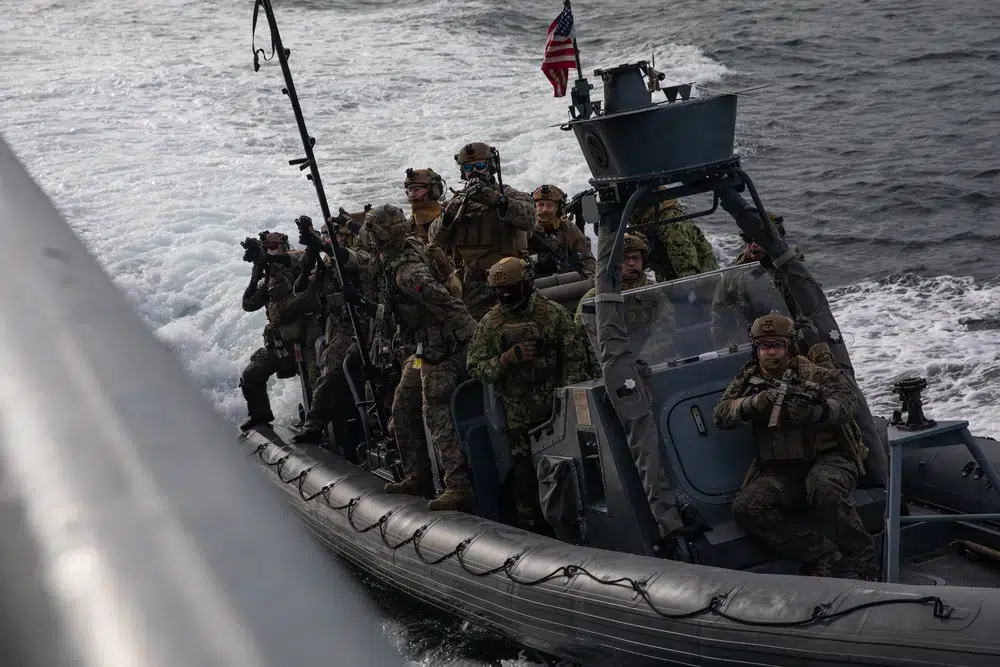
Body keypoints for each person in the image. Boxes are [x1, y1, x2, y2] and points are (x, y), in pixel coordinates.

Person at [712, 314, 878, 580]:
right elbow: (721, 414)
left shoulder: (814, 373)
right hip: (781, 470)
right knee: (746, 507)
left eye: (777, 346)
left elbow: (848, 404)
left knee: (826, 487)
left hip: (828, 459)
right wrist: (752, 403)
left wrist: (817, 412)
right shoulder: (748, 378)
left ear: (789, 346)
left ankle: (863, 560)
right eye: (764, 347)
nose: (771, 352)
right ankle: (819, 553)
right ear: (756, 348)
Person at [349, 204, 478, 511]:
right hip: (421, 351)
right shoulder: (396, 257)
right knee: (402, 406)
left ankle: (458, 486)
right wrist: (366, 305)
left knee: (435, 412)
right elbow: (397, 312)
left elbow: (448, 305)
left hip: (440, 351)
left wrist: (472, 342)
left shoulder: (408, 272)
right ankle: (416, 477)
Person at [466, 257, 594, 532]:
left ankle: (574, 527)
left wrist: (566, 402)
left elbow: (575, 358)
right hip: (518, 417)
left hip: (556, 413)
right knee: (524, 478)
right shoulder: (490, 324)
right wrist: (505, 360)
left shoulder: (553, 314)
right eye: (500, 291)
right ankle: (532, 530)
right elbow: (476, 367)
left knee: (568, 472)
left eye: (511, 289)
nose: (506, 296)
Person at [289, 216, 375, 446]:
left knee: (335, 374)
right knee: (325, 374)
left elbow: (350, 259)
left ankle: (316, 426)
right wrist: (311, 253)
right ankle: (319, 428)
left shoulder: (360, 255)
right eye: (326, 236)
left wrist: (325, 246)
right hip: (338, 327)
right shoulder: (325, 265)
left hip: (363, 325)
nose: (331, 239)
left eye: (335, 235)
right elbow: (300, 290)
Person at [428, 142, 535, 320]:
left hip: (510, 282)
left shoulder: (509, 195)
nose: (474, 172)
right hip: (471, 286)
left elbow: (529, 219)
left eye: (479, 165)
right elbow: (433, 239)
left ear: (491, 166)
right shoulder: (456, 203)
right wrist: (449, 215)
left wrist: (497, 201)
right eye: (468, 168)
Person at [239, 230, 322, 431]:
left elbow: (299, 262)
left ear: (284, 246)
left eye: (274, 247)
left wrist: (267, 258)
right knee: (251, 375)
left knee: (317, 383)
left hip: (308, 340)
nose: (271, 251)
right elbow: (249, 304)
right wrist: (256, 273)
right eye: (267, 248)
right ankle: (260, 414)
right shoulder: (270, 277)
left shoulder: (297, 259)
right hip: (283, 344)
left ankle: (320, 428)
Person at [574, 233, 675, 368]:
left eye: (636, 258)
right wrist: (611, 367)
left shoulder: (654, 294)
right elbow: (584, 340)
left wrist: (640, 363)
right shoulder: (594, 298)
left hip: (647, 366)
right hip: (608, 367)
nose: (632, 263)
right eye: (624, 259)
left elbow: (664, 332)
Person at [634, 196, 718, 282]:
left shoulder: (668, 221)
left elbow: (687, 269)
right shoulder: (646, 224)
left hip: (703, 282)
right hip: (673, 282)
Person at [528, 184, 596, 280]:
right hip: (536, 282)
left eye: (550, 205)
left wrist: (587, 278)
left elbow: (587, 259)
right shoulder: (526, 229)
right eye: (540, 205)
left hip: (568, 281)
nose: (544, 210)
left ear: (558, 209)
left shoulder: (567, 228)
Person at [404, 168, 445, 243]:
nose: (412, 195)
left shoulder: (444, 220)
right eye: (410, 191)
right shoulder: (414, 218)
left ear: (432, 192)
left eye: (417, 190)